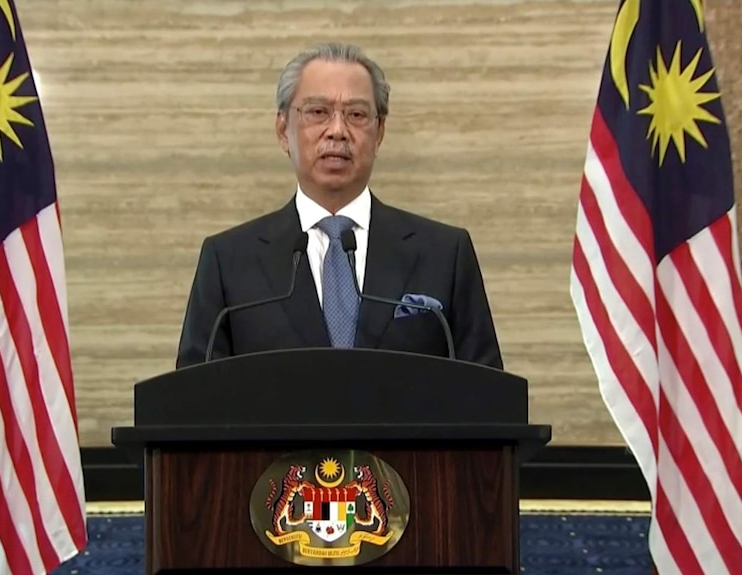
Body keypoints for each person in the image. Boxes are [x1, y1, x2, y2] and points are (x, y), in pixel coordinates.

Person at [175, 42, 503, 370]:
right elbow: (190, 404)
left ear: (379, 133)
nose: (337, 131)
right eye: (318, 112)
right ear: (282, 131)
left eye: (356, 115)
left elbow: (490, 400)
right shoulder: (228, 261)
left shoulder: (444, 255)